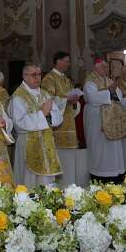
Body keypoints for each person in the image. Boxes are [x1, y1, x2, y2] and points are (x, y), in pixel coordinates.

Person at [9, 63, 63, 187]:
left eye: (39, 74)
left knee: (47, 183)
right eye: (34, 75)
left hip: (46, 144)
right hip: (28, 143)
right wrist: (42, 113)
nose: (37, 78)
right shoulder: (18, 97)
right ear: (24, 76)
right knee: (30, 182)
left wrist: (48, 116)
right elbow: (19, 124)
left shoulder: (45, 94)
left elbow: (58, 116)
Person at [41, 51, 88, 187]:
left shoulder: (66, 79)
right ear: (58, 61)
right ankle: (61, 188)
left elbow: (69, 100)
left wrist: (74, 101)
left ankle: (70, 187)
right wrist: (66, 99)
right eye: (67, 61)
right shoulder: (49, 78)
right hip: (57, 129)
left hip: (69, 123)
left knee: (70, 160)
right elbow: (47, 100)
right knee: (61, 159)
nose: (69, 64)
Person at [84, 58, 126, 182]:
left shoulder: (109, 80)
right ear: (96, 67)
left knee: (113, 147)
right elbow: (92, 98)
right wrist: (109, 91)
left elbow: (119, 95)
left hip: (111, 118)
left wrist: (113, 91)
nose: (106, 69)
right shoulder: (90, 81)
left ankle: (115, 172)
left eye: (106, 67)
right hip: (96, 119)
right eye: (103, 67)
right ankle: (99, 174)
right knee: (99, 146)